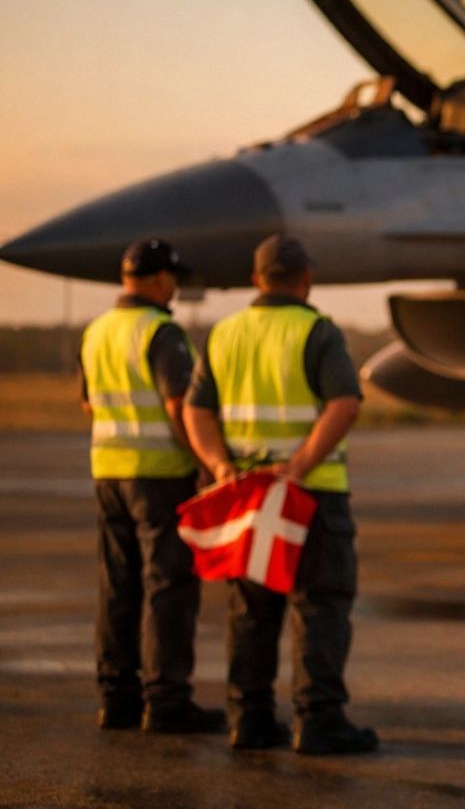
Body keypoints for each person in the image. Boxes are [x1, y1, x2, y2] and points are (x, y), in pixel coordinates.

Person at [183, 234, 378, 754]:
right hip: (309, 495)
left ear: (256, 280)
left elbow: (195, 410)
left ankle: (248, 720)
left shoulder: (225, 334)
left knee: (252, 610)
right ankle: (319, 721)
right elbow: (345, 403)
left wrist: (220, 465)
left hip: (247, 496)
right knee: (320, 606)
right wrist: (299, 465)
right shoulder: (317, 332)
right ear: (305, 278)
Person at [79, 238, 226, 734]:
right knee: (168, 585)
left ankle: (115, 699)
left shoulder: (97, 331)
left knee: (116, 584)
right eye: (175, 280)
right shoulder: (162, 333)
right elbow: (176, 404)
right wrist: (201, 459)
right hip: (160, 476)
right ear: (162, 280)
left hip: (108, 472)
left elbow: (88, 404)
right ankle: (166, 701)